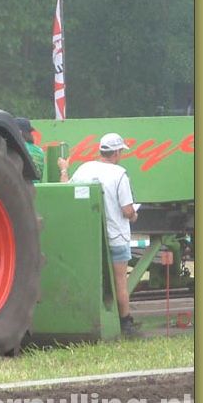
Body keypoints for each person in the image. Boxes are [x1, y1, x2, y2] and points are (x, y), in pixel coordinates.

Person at [59, 133, 140, 336]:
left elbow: (65, 190)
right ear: (117, 152)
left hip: (90, 238)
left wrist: (63, 169)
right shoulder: (120, 174)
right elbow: (127, 210)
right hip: (116, 238)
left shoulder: (85, 168)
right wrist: (134, 215)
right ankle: (125, 324)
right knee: (120, 281)